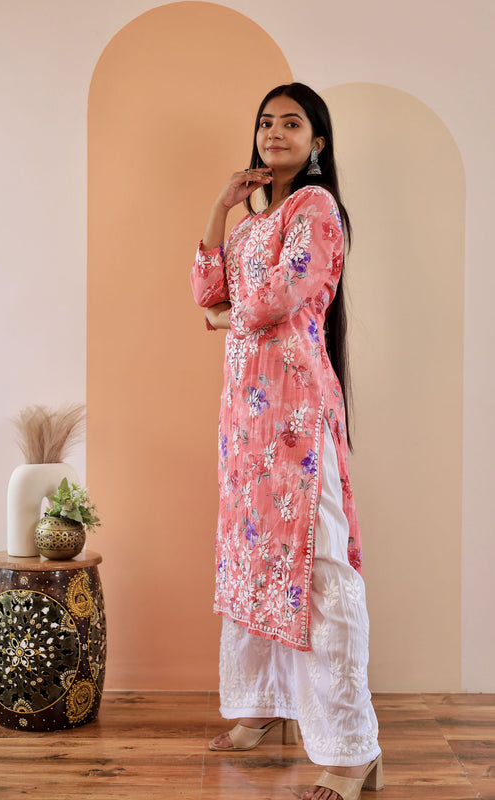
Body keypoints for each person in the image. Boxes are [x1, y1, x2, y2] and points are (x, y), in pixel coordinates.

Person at [190, 82, 382, 800]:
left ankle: (351, 749)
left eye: (291, 123)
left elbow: (274, 298)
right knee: (252, 557)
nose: (274, 132)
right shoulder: (248, 226)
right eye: (266, 122)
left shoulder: (316, 208)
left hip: (297, 414)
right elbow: (205, 291)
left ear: (316, 141)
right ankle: (262, 706)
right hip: (245, 420)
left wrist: (225, 317)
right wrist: (220, 207)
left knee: (316, 565)